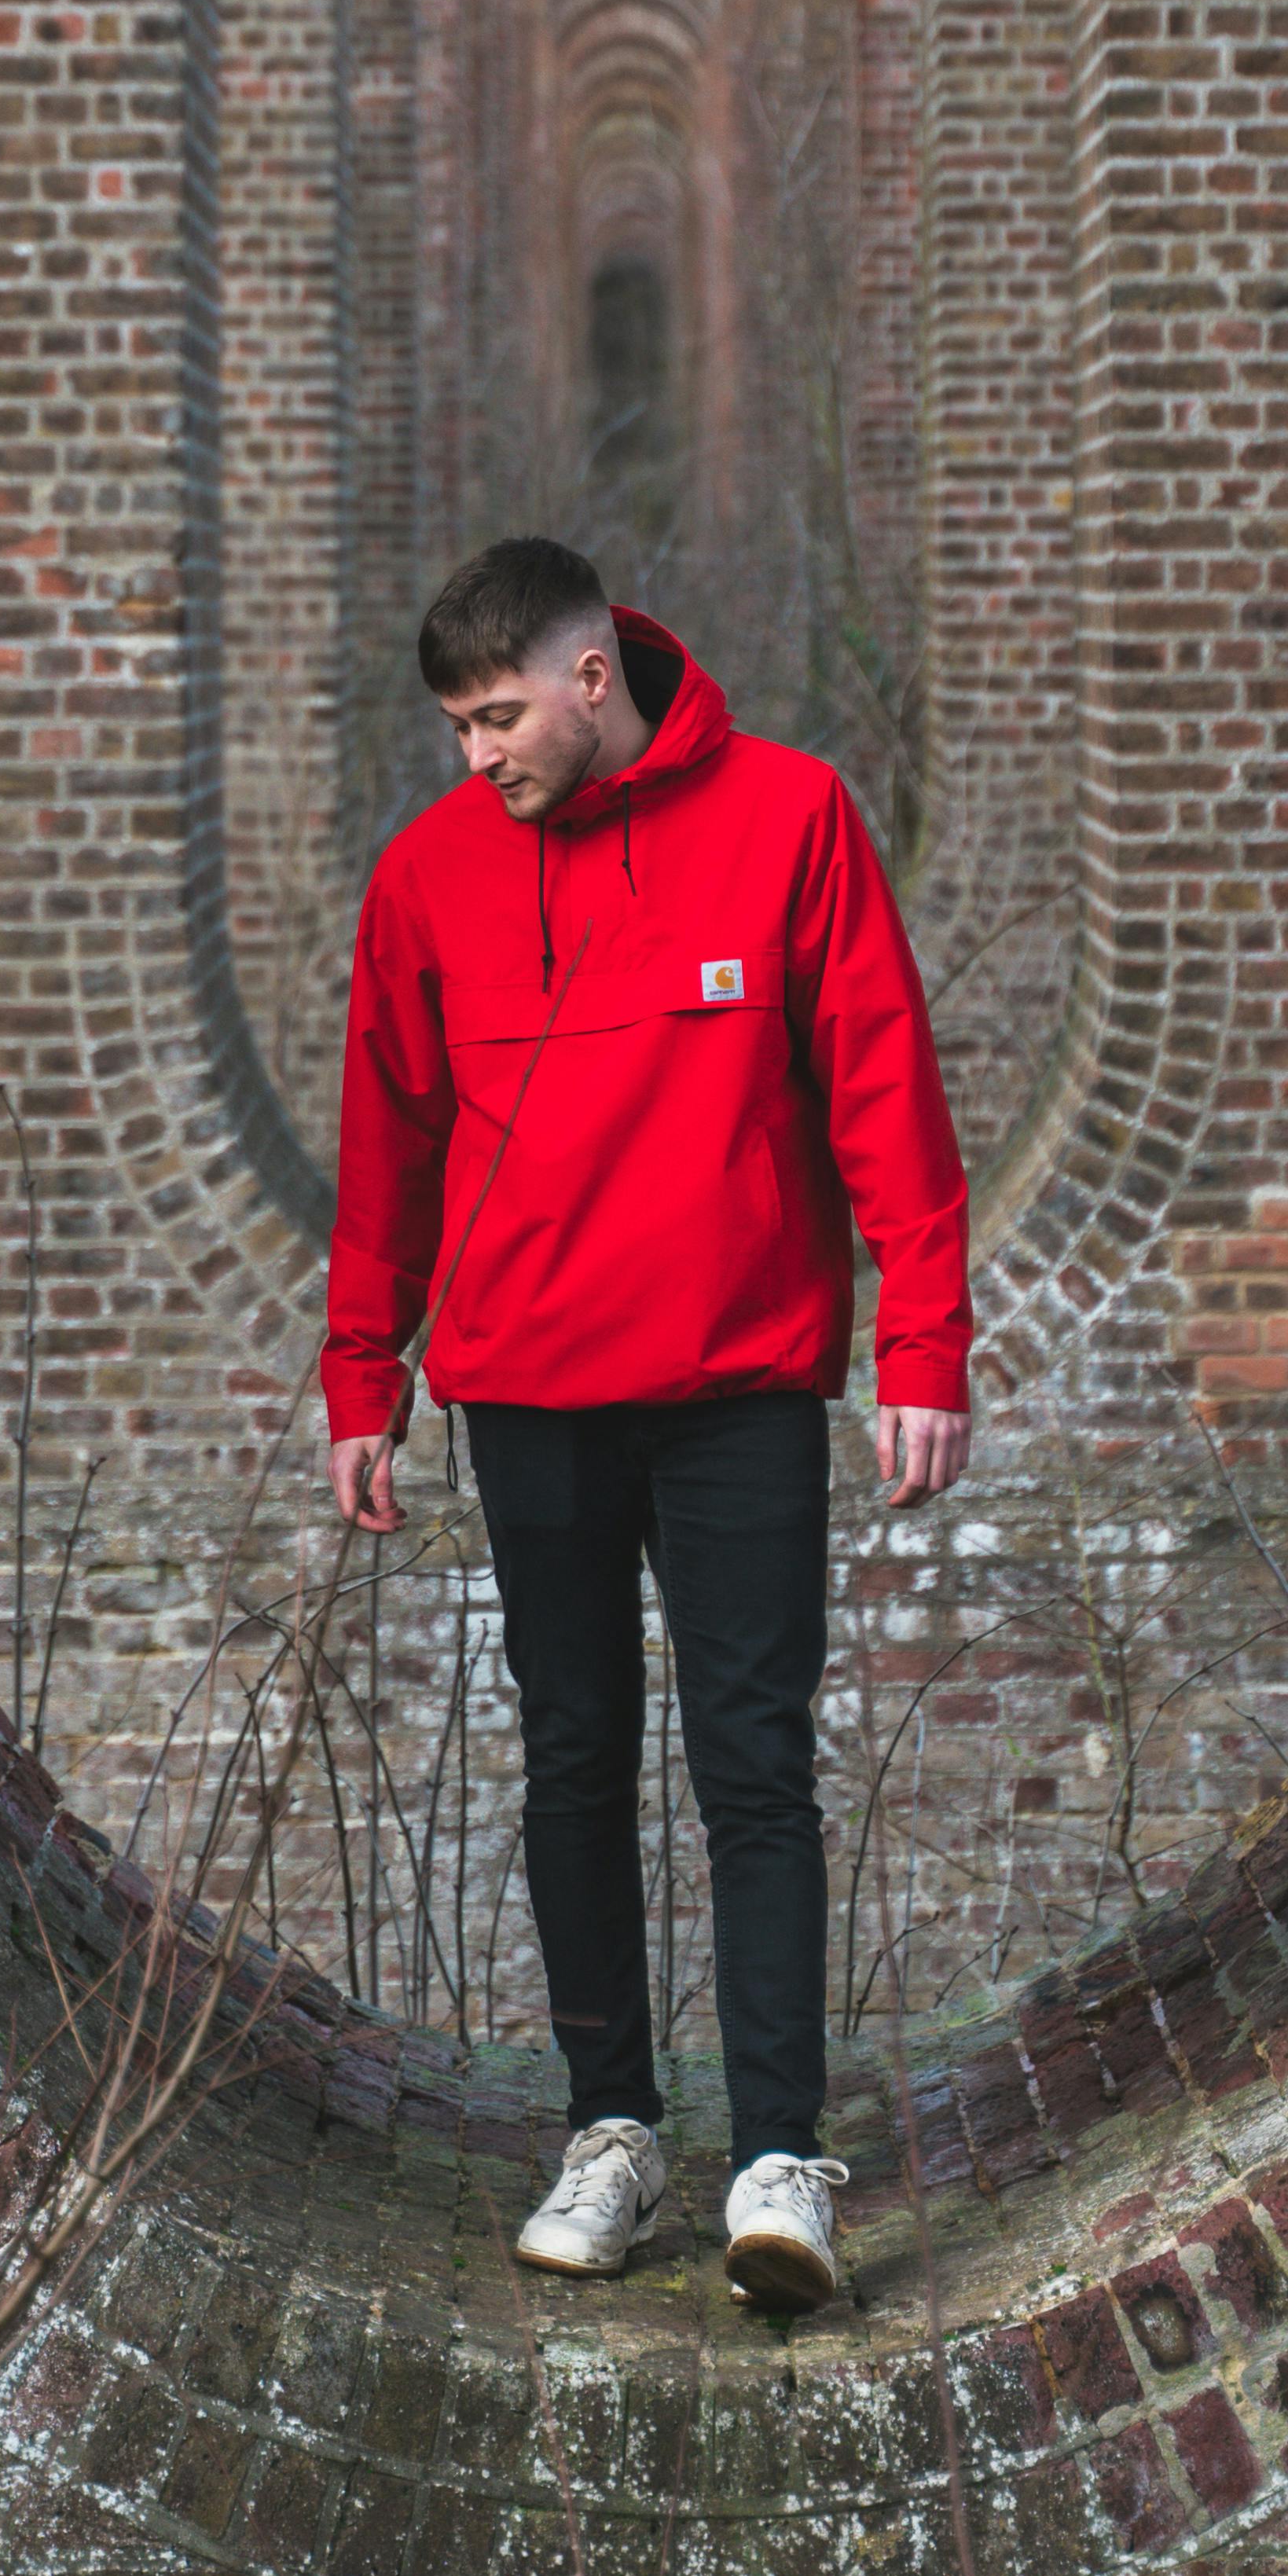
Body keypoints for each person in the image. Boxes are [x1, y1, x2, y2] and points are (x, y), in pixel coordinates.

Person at [321, 534, 973, 2314]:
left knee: (752, 1760)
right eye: (454, 726)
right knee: (573, 1759)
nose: (478, 755)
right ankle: (609, 2128)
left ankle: (778, 2154)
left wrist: (922, 1338)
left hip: (737, 1385)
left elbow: (879, 1080)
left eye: (496, 714)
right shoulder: (427, 878)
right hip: (525, 1387)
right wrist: (357, 1374)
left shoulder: (789, 817)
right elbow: (386, 1143)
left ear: (589, 675)